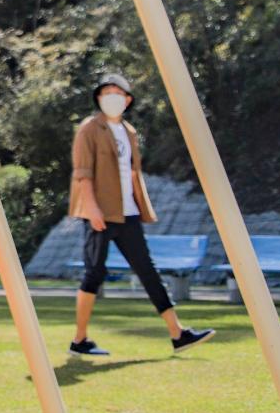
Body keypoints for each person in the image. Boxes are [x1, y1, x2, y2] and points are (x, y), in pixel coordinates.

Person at [69, 72, 213, 358]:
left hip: (128, 213)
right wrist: (92, 209)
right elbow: (83, 174)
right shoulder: (89, 129)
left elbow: (132, 174)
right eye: (105, 92)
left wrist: (140, 205)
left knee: (147, 270)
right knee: (94, 273)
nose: (111, 97)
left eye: (116, 92)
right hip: (100, 213)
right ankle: (79, 339)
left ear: (127, 99)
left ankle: (177, 333)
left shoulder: (129, 132)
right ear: (98, 98)